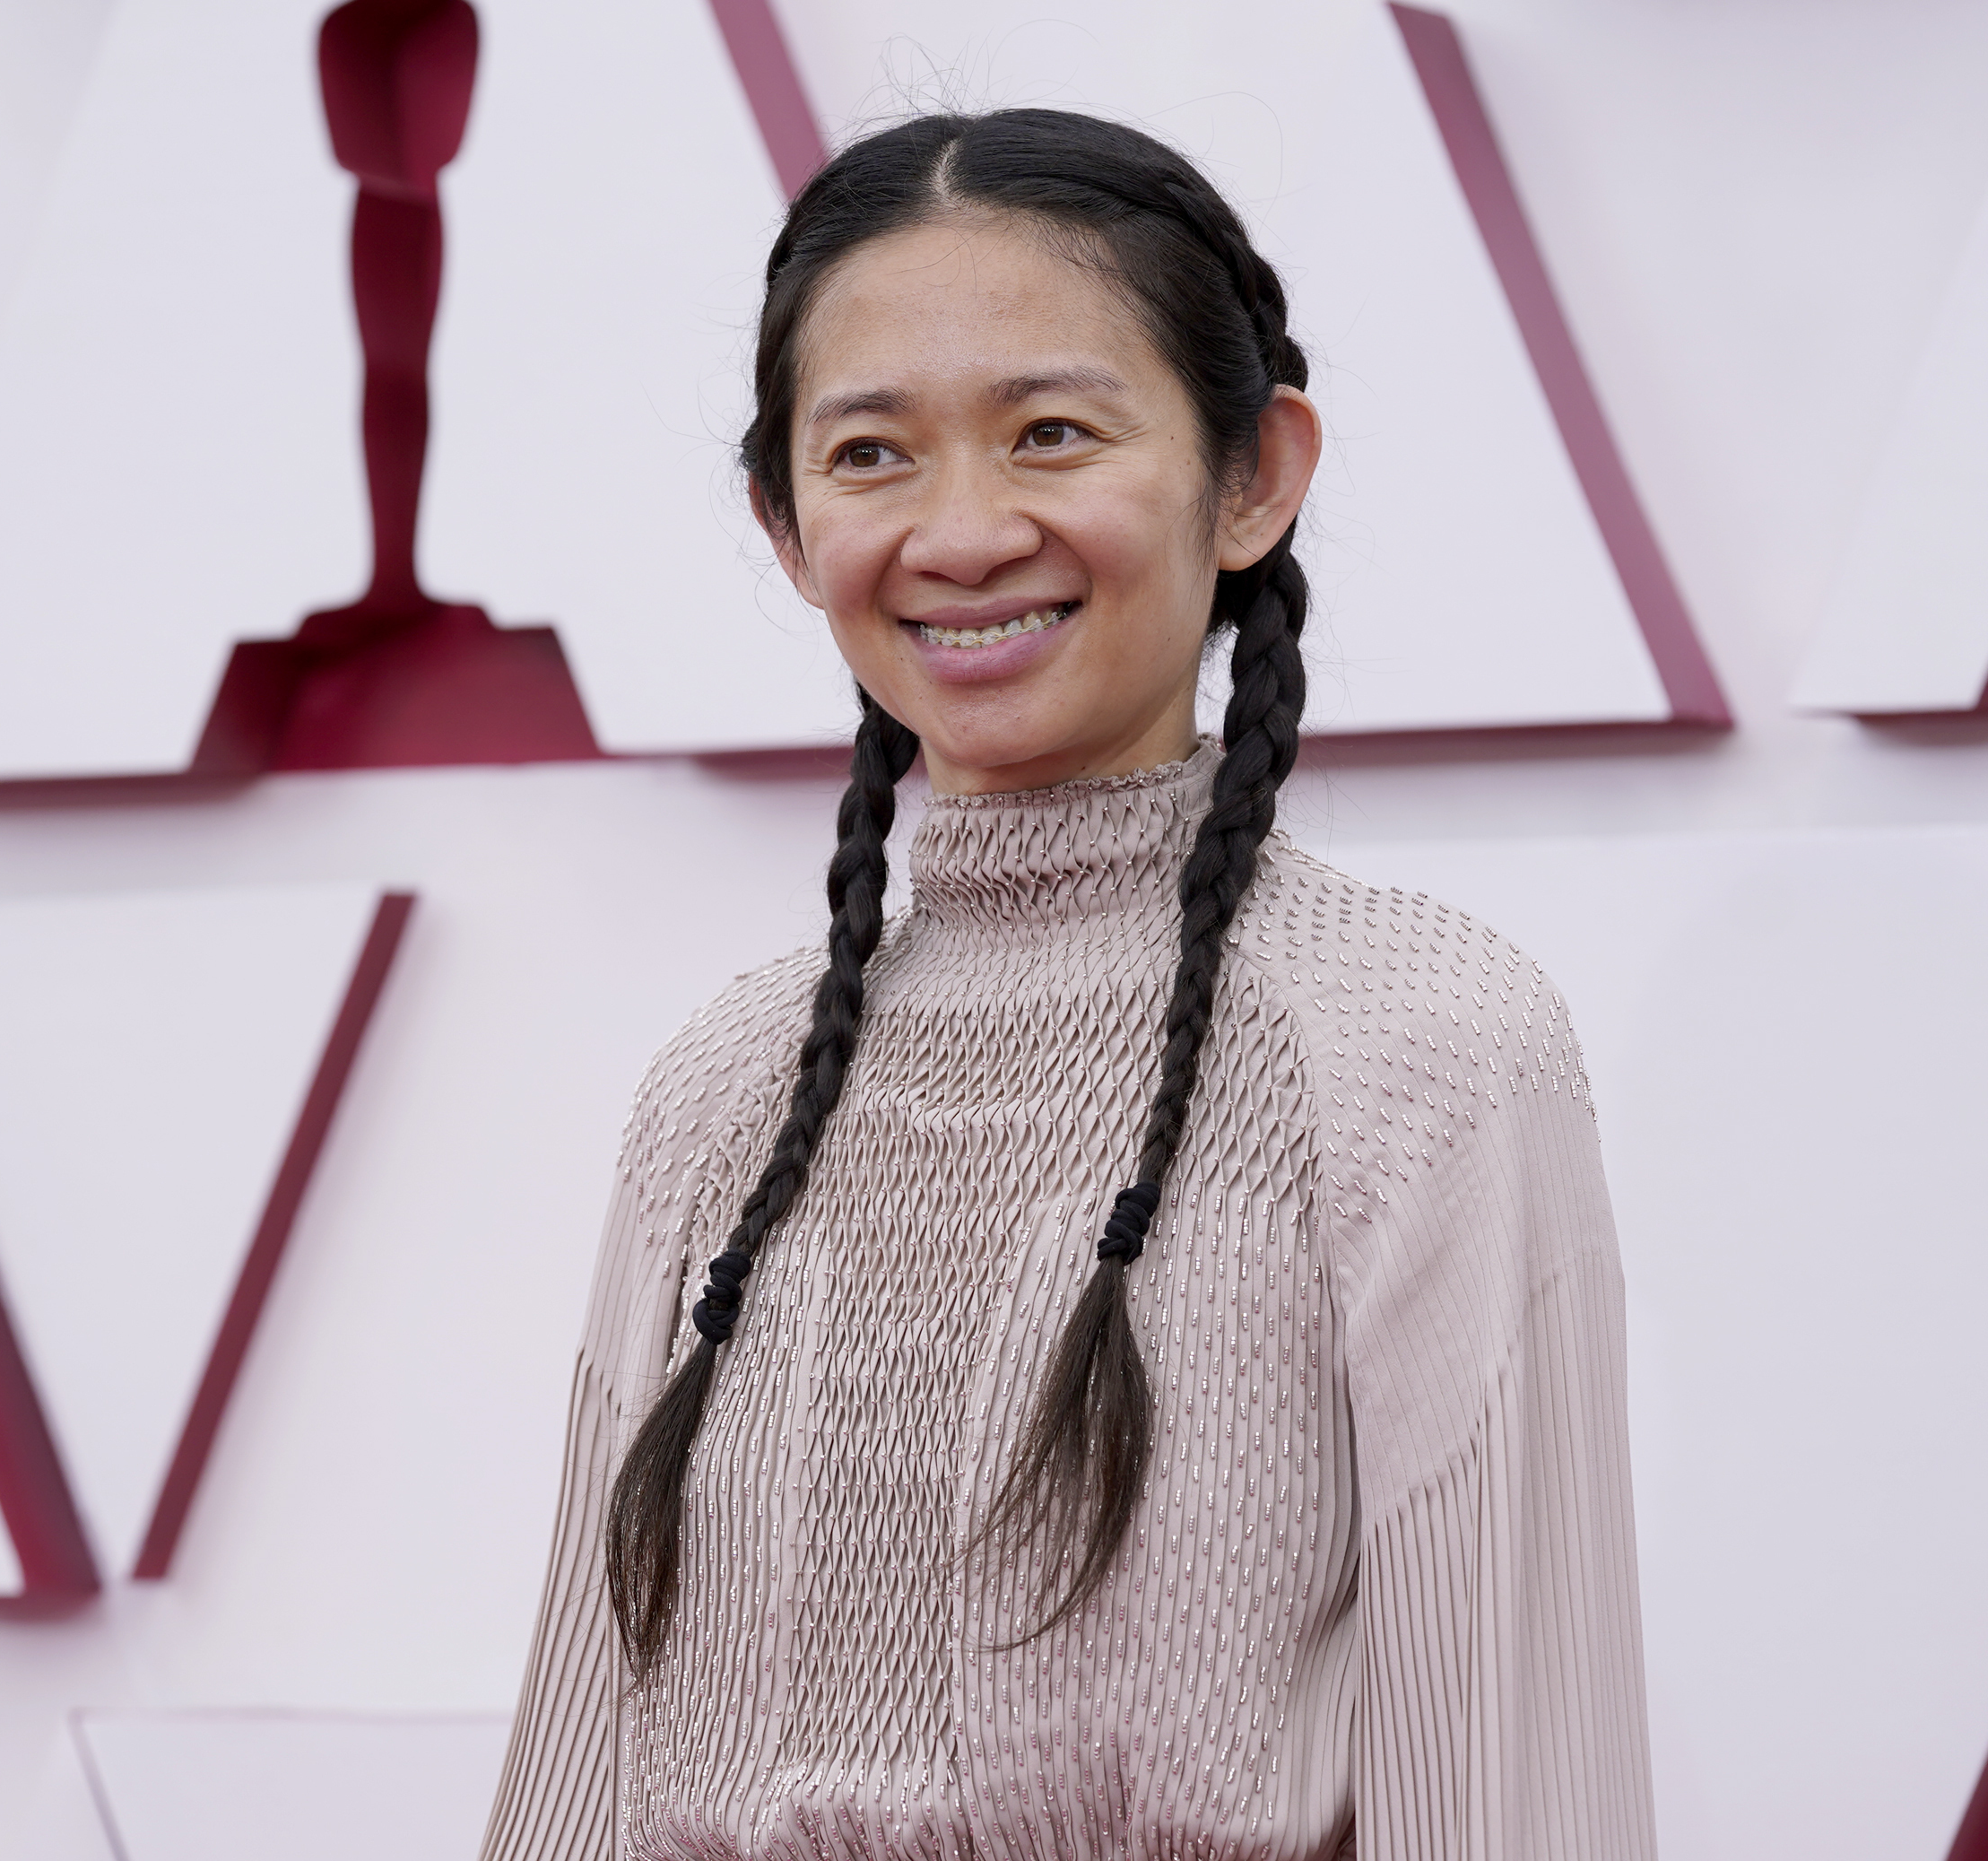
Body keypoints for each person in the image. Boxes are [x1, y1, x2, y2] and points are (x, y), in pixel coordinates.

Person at [478, 108, 1654, 1860]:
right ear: (787, 530)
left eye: (1050, 432)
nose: (961, 533)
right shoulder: (726, 1091)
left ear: (1252, 472)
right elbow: (580, 1778)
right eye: (870, 454)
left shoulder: (1419, 1053)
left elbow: (1510, 1791)